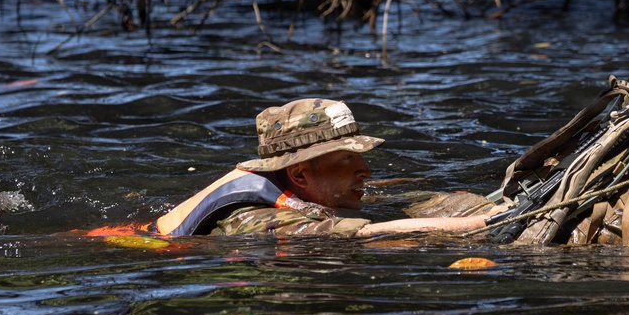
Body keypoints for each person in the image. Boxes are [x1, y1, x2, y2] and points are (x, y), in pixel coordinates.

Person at [155, 98, 499, 238]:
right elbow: (363, 235)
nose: (365, 170)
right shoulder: (257, 220)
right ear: (299, 174)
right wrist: (483, 222)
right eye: (347, 158)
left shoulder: (297, 189)